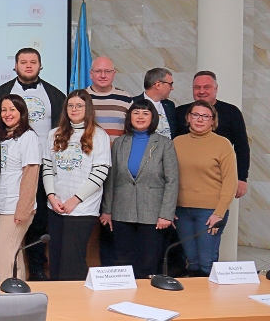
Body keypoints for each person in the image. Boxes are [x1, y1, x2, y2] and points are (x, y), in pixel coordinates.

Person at [0, 47, 65, 281]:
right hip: (5, 185)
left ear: (40, 65)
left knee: (35, 227)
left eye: (33, 62)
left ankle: (37, 269)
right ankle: (17, 285)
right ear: (15, 66)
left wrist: (24, 206)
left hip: (40, 170)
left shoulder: (56, 95)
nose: (28, 65)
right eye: (23, 62)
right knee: (12, 249)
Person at [100, 100, 179, 278]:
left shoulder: (165, 144)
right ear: (129, 117)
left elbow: (172, 180)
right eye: (136, 113)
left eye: (145, 113)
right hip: (122, 211)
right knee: (122, 259)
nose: (140, 117)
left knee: (148, 261)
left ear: (153, 118)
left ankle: (145, 294)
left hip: (153, 213)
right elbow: (111, 179)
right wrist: (107, 210)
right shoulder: (119, 143)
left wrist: (166, 214)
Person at [42, 89, 110, 281]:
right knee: (55, 259)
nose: (74, 109)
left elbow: (100, 172)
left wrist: (75, 200)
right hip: (56, 206)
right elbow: (47, 168)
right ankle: (57, 298)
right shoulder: (54, 134)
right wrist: (51, 197)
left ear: (88, 109)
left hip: (82, 208)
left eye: (79, 105)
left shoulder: (99, 135)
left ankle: (75, 300)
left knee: (72, 262)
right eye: (70, 105)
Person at [174, 100, 237, 276]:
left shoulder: (222, 144)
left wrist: (219, 213)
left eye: (205, 116)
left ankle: (209, 293)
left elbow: (230, 182)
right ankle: (195, 294)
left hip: (210, 212)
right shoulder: (177, 142)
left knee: (206, 262)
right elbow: (169, 177)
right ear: (188, 118)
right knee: (191, 260)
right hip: (182, 211)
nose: (200, 119)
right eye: (195, 115)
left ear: (213, 120)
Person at [85, 56, 133, 267]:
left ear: (114, 74)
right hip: (86, 169)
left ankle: (113, 268)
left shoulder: (126, 99)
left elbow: (131, 132)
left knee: (113, 220)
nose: (102, 75)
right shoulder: (81, 98)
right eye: (98, 71)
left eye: (107, 71)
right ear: (91, 74)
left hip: (118, 169)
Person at [0, 94, 40, 285]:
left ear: (22, 112)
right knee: (13, 255)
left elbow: (31, 174)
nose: (7, 114)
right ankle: (20, 292)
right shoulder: (2, 137)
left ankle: (6, 295)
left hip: (15, 206)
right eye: (4, 110)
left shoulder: (28, 137)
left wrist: (23, 209)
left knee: (2, 257)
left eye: (12, 109)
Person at [176, 71, 250, 199]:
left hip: (218, 180)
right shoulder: (179, 112)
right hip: (185, 180)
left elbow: (242, 147)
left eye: (207, 87)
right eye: (197, 87)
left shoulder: (232, 112)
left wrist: (242, 178)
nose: (201, 91)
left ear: (216, 88)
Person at [134, 67, 177, 139]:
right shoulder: (133, 103)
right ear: (158, 85)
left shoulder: (169, 105)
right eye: (170, 84)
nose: (172, 88)